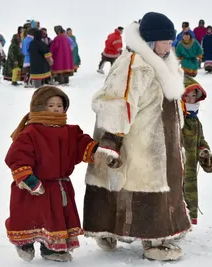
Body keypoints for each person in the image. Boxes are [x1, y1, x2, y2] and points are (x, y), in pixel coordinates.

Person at [83, 12, 191, 261]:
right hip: (140, 142)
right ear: (151, 41)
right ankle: (153, 239)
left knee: (160, 180)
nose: (169, 45)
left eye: (171, 40)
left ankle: (118, 227)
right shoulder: (134, 64)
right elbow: (116, 102)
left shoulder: (162, 63)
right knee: (143, 181)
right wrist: (111, 141)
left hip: (160, 140)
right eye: (165, 40)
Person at [4, 86, 99, 262]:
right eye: (50, 105)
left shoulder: (70, 131)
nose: (56, 109)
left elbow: (81, 143)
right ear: (39, 107)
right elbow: (17, 157)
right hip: (34, 187)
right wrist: (27, 178)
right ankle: (24, 243)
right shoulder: (30, 132)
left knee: (55, 219)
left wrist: (97, 150)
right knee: (30, 217)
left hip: (58, 186)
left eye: (59, 106)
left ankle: (51, 249)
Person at [180, 76, 212, 225]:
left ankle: (186, 218)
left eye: (193, 96)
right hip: (177, 164)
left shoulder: (195, 120)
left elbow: (201, 139)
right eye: (186, 96)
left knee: (189, 190)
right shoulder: (178, 117)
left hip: (191, 166)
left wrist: (204, 150)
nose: (190, 99)